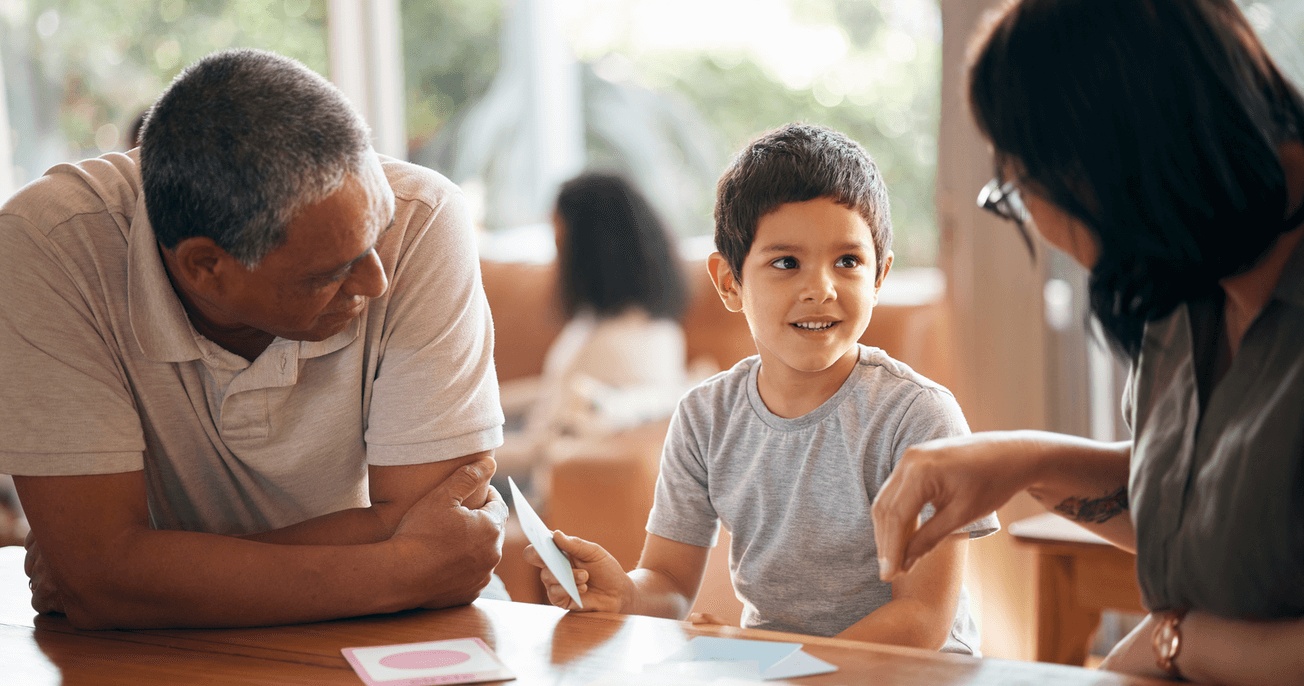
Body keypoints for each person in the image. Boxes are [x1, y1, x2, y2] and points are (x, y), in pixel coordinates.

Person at [871, 0, 1304, 682]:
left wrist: (1177, 644)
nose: (1044, 230)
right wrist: (1022, 461)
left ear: (1111, 160)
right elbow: (1230, 514)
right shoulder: (1187, 267)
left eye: (1020, 186)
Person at [0, 49, 508, 630]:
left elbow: (444, 527)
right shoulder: (49, 246)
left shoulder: (424, 218)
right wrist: (403, 567)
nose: (377, 280)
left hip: (405, 627)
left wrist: (147, 569)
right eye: (330, 272)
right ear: (205, 267)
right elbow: (101, 580)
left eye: (378, 235)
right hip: (192, 651)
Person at [526, 123, 999, 653]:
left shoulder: (920, 417)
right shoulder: (706, 415)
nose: (820, 288)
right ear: (730, 282)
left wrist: (762, 665)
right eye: (786, 263)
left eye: (847, 261)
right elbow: (668, 583)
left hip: (911, 674)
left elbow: (921, 620)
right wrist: (625, 594)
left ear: (880, 275)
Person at [495, 173, 690, 494]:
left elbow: (540, 450)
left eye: (559, 242)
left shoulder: (612, 347)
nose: (556, 258)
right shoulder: (651, 327)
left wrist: (452, 456)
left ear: (589, 250)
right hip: (532, 442)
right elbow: (559, 388)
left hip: (532, 483)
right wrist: (477, 405)